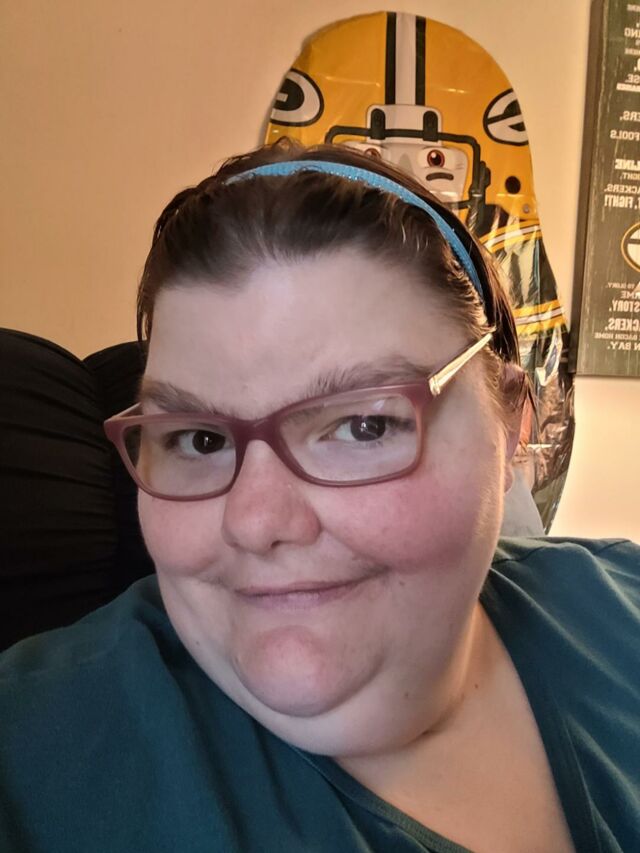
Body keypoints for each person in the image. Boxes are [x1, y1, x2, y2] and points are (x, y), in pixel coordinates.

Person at [0, 141, 638, 853]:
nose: (255, 521)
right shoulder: (35, 748)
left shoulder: (623, 605)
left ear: (511, 423)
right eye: (199, 440)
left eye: (365, 425)